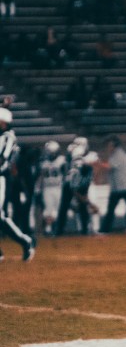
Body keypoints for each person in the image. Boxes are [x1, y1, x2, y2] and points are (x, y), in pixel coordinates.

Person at [0, 107, 35, 261]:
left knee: (0, 215)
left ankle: (25, 241)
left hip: (1, 178)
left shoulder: (8, 137)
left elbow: (2, 157)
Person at [36, 140, 66, 236]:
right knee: (48, 209)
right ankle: (48, 229)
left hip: (58, 187)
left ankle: (55, 228)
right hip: (47, 187)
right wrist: (38, 188)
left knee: (57, 209)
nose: (50, 154)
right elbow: (40, 176)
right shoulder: (43, 162)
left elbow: (65, 174)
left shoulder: (61, 160)